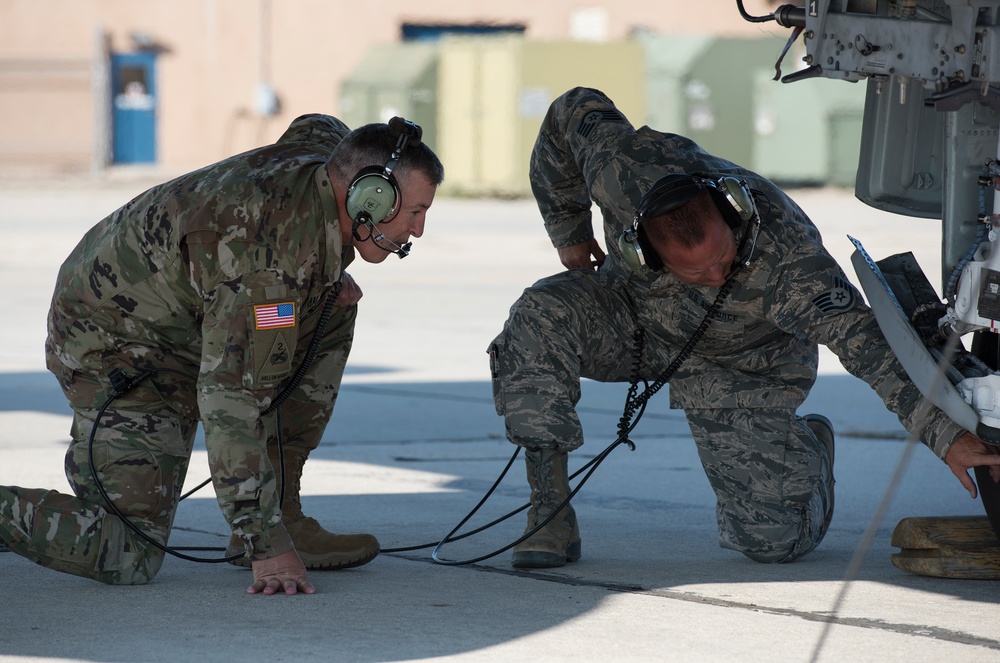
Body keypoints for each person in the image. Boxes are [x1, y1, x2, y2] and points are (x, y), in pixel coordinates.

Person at [488, 86, 1000, 569]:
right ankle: (548, 511)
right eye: (696, 271)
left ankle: (809, 448)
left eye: (723, 259)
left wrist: (943, 435)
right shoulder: (624, 167)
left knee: (772, 542)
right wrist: (569, 233)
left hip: (743, 362)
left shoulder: (791, 263)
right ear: (641, 250)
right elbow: (568, 112)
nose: (717, 276)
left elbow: (870, 349)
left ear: (731, 212)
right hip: (635, 321)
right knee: (540, 316)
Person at [0, 113, 444, 595]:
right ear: (367, 197)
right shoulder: (267, 270)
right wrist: (266, 544)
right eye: (415, 211)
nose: (418, 230)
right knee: (125, 553)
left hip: (188, 319)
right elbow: (230, 401)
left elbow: (314, 125)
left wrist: (325, 269)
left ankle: (282, 508)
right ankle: (263, 525)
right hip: (119, 350)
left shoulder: (327, 163)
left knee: (331, 305)